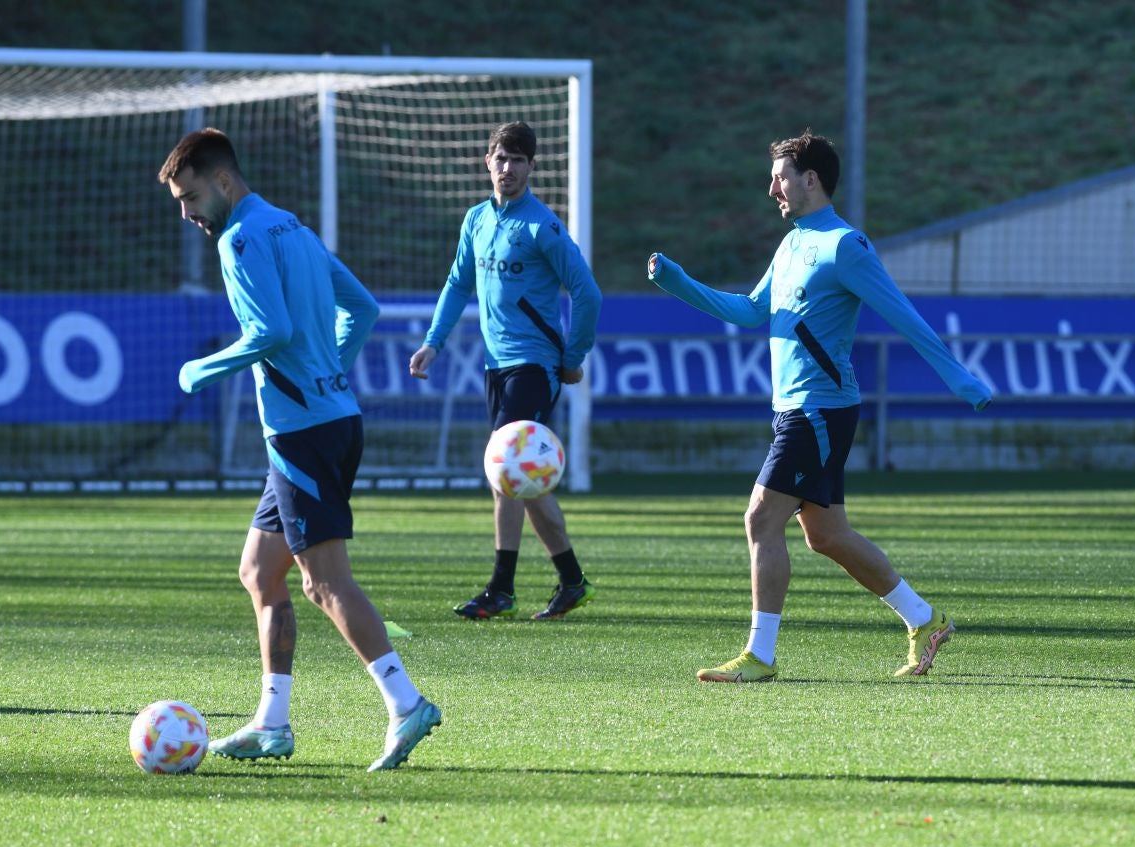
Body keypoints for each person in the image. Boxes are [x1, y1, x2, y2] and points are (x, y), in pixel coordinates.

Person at [647, 129, 992, 682]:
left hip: (820, 410)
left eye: (780, 176)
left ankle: (760, 655)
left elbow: (904, 313)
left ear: (811, 179)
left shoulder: (845, 246)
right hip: (796, 410)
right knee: (826, 535)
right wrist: (679, 282)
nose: (772, 188)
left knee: (760, 518)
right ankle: (925, 620)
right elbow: (750, 311)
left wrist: (959, 377)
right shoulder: (792, 243)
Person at [158, 128, 441, 770]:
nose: (187, 213)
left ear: (223, 182)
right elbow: (362, 309)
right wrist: (326, 370)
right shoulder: (290, 225)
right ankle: (272, 723)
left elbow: (270, 331)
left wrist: (202, 370)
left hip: (303, 435)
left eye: (192, 196)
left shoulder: (240, 238)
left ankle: (406, 703)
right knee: (260, 572)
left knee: (323, 581)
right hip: (328, 420)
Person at [409, 121, 603, 621]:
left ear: (532, 167)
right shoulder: (476, 220)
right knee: (525, 480)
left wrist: (572, 357)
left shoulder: (542, 226)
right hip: (496, 367)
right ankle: (572, 580)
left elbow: (587, 292)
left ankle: (501, 588)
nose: (508, 168)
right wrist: (433, 343)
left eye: (518, 160)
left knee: (506, 473)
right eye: (501, 158)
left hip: (534, 367)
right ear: (487, 161)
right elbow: (457, 285)